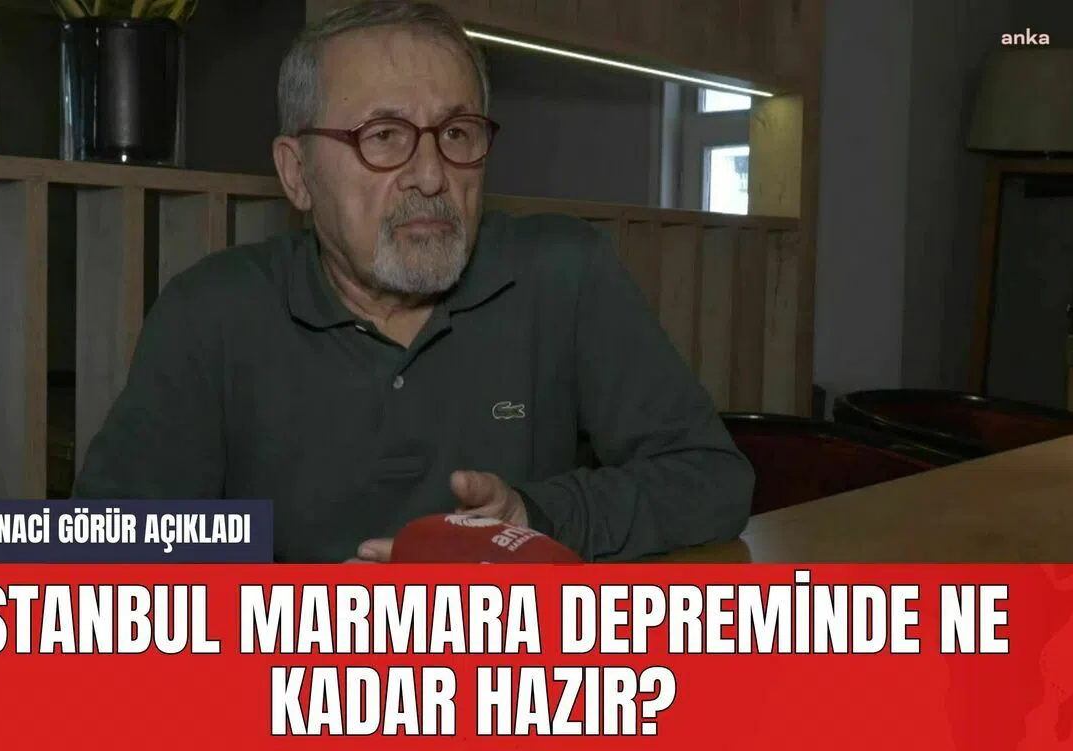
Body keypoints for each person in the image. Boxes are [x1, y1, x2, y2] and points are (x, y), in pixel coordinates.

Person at [72, 0, 754, 562]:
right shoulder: (211, 312)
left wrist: (536, 519)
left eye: (456, 133)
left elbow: (713, 478)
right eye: (384, 136)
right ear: (297, 174)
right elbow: (103, 556)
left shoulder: (566, 273)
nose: (431, 175)